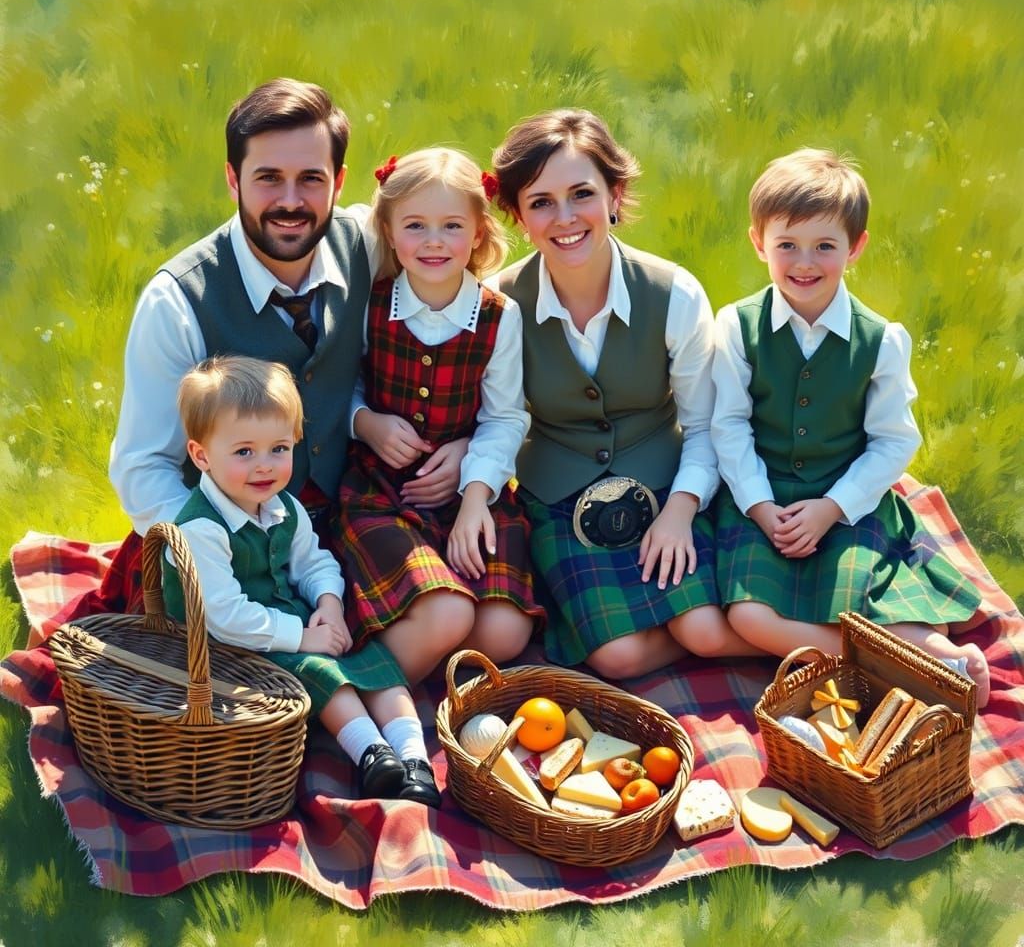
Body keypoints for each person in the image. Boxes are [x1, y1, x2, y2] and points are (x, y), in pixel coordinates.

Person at [95, 78, 463, 623]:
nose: (290, 202)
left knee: (466, 618)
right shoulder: (177, 300)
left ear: (337, 182)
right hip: (230, 533)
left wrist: (464, 442)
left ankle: (339, 684)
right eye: (268, 179)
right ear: (232, 179)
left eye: (310, 179)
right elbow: (142, 467)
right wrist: (218, 555)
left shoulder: (366, 241)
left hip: (349, 509)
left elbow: (463, 304)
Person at [711, 147, 990, 706]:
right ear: (758, 243)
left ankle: (929, 654)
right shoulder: (736, 326)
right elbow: (729, 426)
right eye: (786, 244)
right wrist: (761, 507)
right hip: (761, 497)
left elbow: (894, 440)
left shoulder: (881, 339)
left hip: (845, 496)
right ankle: (903, 666)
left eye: (824, 246)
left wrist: (833, 507)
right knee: (749, 614)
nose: (804, 262)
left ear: (855, 248)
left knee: (860, 594)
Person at [490, 109, 759, 680]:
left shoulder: (674, 293)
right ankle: (671, 624)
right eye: (540, 202)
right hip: (559, 494)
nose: (565, 218)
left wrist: (681, 512)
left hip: (665, 483)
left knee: (705, 630)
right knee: (616, 657)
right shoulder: (502, 304)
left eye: (581, 193)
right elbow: (503, 415)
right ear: (517, 215)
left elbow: (705, 424)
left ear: (615, 195)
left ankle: (832, 648)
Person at [161, 356, 441, 805]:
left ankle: (414, 761)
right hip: (221, 647)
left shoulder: (282, 506)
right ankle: (372, 755)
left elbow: (314, 562)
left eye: (279, 448)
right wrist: (304, 637)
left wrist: (329, 604)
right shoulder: (201, 529)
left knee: (375, 662)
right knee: (322, 671)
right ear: (201, 456)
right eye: (244, 452)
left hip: (283, 620)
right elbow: (225, 617)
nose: (264, 466)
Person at [336, 149, 542, 684]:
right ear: (388, 228)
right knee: (450, 611)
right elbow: (342, 387)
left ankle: (412, 644)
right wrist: (368, 424)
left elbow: (505, 418)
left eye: (452, 226)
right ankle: (357, 687)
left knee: (504, 633)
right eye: (415, 225)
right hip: (383, 489)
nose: (433, 241)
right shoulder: (370, 303)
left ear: (477, 232)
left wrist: (476, 493)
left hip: (468, 490)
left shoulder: (499, 316)